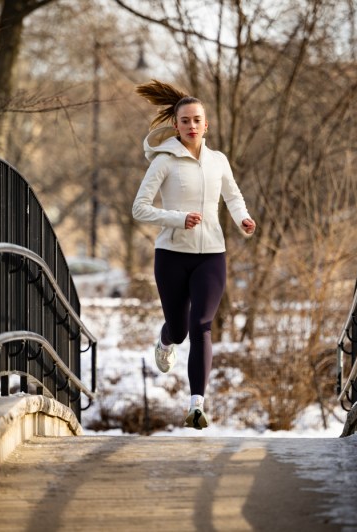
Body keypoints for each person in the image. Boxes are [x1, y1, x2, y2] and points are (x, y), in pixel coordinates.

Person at [132, 80, 256, 430]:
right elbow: (139, 208)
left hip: (211, 255)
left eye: (196, 120)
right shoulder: (163, 162)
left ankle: (196, 405)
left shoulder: (218, 160)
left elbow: (232, 196)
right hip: (171, 254)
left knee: (202, 325)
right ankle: (164, 339)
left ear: (206, 125)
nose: (191, 126)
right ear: (176, 125)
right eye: (184, 120)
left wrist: (242, 218)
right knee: (179, 329)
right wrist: (176, 219)